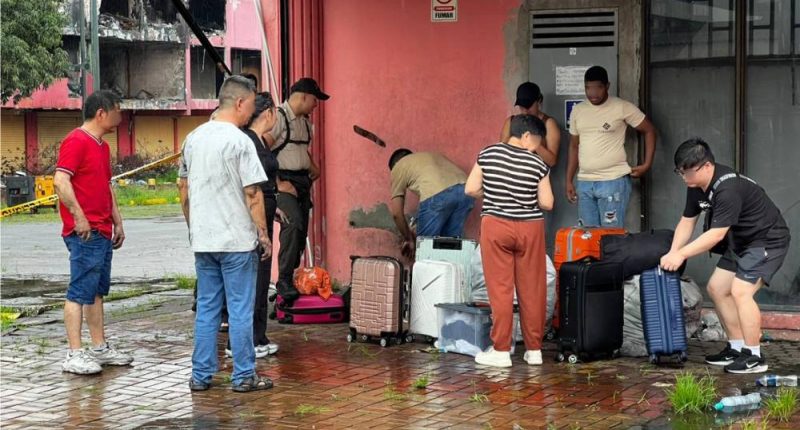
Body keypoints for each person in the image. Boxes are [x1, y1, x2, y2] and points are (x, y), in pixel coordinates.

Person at [660, 138, 790, 374]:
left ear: (707, 166)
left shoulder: (727, 188)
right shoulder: (696, 186)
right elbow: (687, 222)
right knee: (717, 288)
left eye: (688, 171)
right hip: (740, 241)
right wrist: (673, 252)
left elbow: (715, 235)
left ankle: (754, 356)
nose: (684, 177)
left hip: (767, 239)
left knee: (741, 291)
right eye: (680, 172)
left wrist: (682, 255)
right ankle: (737, 347)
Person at [178, 75, 273, 392]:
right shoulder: (240, 141)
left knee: (207, 309)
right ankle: (244, 375)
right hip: (236, 241)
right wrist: (263, 234)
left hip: (204, 240)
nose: (252, 113)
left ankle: (200, 376)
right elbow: (253, 194)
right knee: (240, 309)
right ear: (240, 102)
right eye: (252, 106)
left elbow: (182, 189)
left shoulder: (193, 138)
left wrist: (194, 227)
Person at [465, 114, 554, 368]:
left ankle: (501, 351)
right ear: (526, 136)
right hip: (530, 229)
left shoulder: (488, 153)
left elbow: (470, 189)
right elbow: (547, 203)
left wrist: (494, 194)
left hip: (496, 226)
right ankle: (534, 350)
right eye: (537, 141)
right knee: (532, 289)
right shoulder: (538, 163)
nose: (536, 148)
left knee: (501, 290)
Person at [55, 90, 133, 375]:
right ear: (101, 113)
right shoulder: (76, 140)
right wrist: (79, 216)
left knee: (97, 291)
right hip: (85, 233)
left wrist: (118, 222)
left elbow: (105, 186)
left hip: (102, 229)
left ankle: (99, 347)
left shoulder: (102, 146)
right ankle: (74, 353)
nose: (120, 117)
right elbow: (60, 180)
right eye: (117, 110)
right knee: (79, 291)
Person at [565, 65, 657, 227]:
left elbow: (649, 130)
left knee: (611, 235)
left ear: (607, 86)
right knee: (587, 235)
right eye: (588, 88)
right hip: (585, 182)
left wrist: (647, 164)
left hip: (613, 181)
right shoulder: (578, 110)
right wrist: (569, 180)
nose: (592, 93)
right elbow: (574, 146)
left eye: (598, 87)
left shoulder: (622, 107)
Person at [265, 77, 329, 306]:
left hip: (302, 182)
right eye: (314, 99)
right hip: (283, 181)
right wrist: (277, 184)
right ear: (303, 96)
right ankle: (283, 280)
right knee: (292, 225)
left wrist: (313, 168)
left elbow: (300, 150)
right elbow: (262, 149)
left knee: (300, 236)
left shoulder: (304, 122)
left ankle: (289, 281)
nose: (316, 104)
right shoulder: (279, 118)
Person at [388, 149, 474, 257]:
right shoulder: (429, 156)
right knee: (451, 245)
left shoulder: (399, 166)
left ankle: (426, 265)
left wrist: (408, 238)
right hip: (466, 190)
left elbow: (396, 214)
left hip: (440, 194)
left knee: (425, 248)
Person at [499, 82, 560, 167]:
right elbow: (501, 152)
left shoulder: (548, 123)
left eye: (529, 107)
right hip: (512, 172)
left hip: (537, 173)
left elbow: (552, 161)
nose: (525, 111)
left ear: (539, 101)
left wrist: (537, 146)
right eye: (522, 107)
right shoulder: (511, 121)